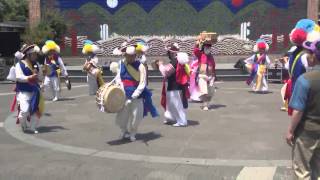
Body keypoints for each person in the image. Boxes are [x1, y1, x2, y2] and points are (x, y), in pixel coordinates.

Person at [286, 39, 320, 180]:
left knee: (302, 170)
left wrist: (290, 130)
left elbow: (298, 110)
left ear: (313, 56)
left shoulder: (305, 80)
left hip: (307, 131)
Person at [114, 46, 159, 142]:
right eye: (128, 56)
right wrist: (121, 86)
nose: (130, 58)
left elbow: (143, 82)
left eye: (132, 56)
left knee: (136, 117)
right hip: (124, 94)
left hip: (137, 95)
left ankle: (133, 132)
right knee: (122, 116)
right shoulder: (121, 64)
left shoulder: (141, 66)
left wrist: (135, 94)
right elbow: (118, 77)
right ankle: (124, 131)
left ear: (135, 56)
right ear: (125, 55)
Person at [15, 44, 45, 134]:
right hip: (24, 91)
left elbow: (40, 78)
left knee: (36, 109)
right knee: (24, 110)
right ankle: (23, 124)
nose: (36, 56)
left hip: (35, 91)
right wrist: (29, 77)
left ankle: (32, 127)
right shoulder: (19, 64)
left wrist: (43, 72)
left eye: (36, 54)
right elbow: (18, 77)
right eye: (34, 54)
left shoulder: (37, 65)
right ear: (28, 55)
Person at [158, 43, 190, 127]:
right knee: (172, 104)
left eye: (169, 53)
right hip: (175, 86)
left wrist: (160, 65)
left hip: (175, 86)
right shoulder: (177, 61)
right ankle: (171, 117)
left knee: (176, 104)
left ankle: (182, 121)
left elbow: (165, 72)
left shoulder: (175, 62)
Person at [193, 36, 216, 110]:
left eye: (209, 48)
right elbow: (195, 51)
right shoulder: (201, 55)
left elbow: (213, 66)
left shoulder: (211, 57)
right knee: (204, 91)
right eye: (206, 48)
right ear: (203, 48)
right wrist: (197, 44)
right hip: (202, 75)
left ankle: (206, 103)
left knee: (210, 91)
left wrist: (214, 76)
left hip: (210, 76)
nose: (208, 49)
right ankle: (205, 105)